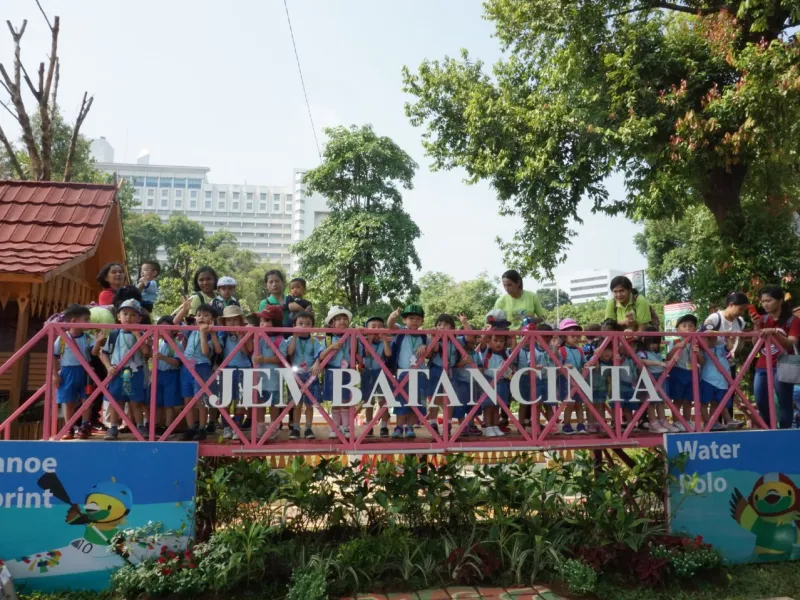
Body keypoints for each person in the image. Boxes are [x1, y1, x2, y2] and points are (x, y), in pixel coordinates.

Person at [99, 299, 152, 440]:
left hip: (136, 372)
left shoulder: (143, 335)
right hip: (117, 372)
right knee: (117, 401)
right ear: (119, 317)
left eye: (133, 315)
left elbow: (147, 353)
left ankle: (140, 425)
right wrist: (109, 367)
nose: (128, 317)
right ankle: (114, 427)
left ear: (139, 319)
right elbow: (104, 354)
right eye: (125, 314)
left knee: (136, 401)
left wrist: (137, 335)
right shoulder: (114, 335)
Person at [753, 285, 800, 429]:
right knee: (760, 400)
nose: (765, 304)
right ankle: (768, 430)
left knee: (784, 400)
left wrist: (774, 332)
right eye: (762, 301)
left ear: (780, 301)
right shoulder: (762, 319)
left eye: (769, 300)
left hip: (786, 363)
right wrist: (756, 326)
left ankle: (784, 432)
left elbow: (791, 342)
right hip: (762, 365)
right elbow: (756, 345)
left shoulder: (793, 321)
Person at [174, 299, 221, 441]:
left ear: (212, 319)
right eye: (198, 314)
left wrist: (204, 333)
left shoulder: (212, 334)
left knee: (201, 399)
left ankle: (201, 427)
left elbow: (206, 352)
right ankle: (191, 427)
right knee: (188, 399)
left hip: (202, 367)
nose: (201, 317)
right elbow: (174, 324)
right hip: (187, 367)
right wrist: (184, 309)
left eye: (205, 315)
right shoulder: (190, 330)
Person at [53, 304, 98, 440]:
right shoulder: (61, 338)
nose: (89, 322)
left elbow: (94, 353)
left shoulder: (88, 338)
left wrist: (99, 342)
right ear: (73, 321)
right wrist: (54, 374)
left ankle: (85, 426)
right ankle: (69, 427)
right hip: (67, 372)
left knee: (86, 400)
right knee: (68, 401)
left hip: (84, 371)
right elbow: (54, 357)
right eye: (86, 319)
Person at [313, 306, 356, 439]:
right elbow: (320, 356)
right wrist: (332, 347)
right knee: (335, 402)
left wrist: (359, 331)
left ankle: (346, 427)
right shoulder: (328, 339)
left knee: (346, 400)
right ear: (331, 324)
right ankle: (335, 427)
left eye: (345, 319)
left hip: (347, 371)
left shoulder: (352, 336)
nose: (342, 321)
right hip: (332, 370)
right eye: (338, 319)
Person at [387, 304, 429, 439]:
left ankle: (410, 427)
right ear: (404, 320)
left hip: (419, 372)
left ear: (422, 321)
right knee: (401, 401)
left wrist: (425, 346)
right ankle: (399, 427)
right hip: (403, 372)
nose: (414, 321)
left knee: (415, 402)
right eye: (411, 318)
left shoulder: (423, 336)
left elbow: (432, 349)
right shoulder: (401, 331)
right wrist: (392, 317)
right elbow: (391, 326)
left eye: (418, 318)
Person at [217, 305, 253, 440]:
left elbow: (247, 351)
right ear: (225, 323)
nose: (233, 323)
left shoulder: (246, 334)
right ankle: (226, 427)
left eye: (236, 320)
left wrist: (241, 337)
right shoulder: (223, 336)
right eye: (229, 320)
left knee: (240, 401)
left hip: (243, 369)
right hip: (227, 369)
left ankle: (236, 428)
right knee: (225, 401)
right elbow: (218, 351)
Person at [287, 311, 323, 440]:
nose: (304, 326)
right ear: (294, 325)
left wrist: (317, 362)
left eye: (308, 324)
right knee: (296, 403)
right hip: (296, 375)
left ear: (312, 326)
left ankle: (308, 427)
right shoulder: (291, 339)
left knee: (309, 404)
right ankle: (296, 427)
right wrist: (295, 336)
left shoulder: (314, 341)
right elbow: (289, 351)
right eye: (300, 323)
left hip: (310, 375)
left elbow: (318, 355)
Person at [253, 305, 287, 440]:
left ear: (276, 322)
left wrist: (264, 359)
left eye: (266, 321)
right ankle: (260, 426)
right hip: (260, 377)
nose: (262, 324)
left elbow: (281, 357)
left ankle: (274, 427)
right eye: (261, 321)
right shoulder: (259, 337)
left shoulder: (280, 340)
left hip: (274, 378)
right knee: (260, 401)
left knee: (273, 403)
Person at [666, 314, 704, 431]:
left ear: (695, 329)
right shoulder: (675, 341)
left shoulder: (697, 342)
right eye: (684, 326)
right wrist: (676, 347)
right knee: (677, 399)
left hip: (692, 373)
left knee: (688, 400)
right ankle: (677, 422)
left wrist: (697, 353)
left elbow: (702, 362)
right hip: (678, 372)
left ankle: (687, 421)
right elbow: (668, 358)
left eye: (691, 326)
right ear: (677, 329)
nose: (688, 328)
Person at [636, 327, 677, 433]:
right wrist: (659, 363)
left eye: (656, 343)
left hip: (660, 377)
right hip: (649, 378)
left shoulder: (657, 353)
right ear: (644, 341)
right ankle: (653, 422)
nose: (655, 345)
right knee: (651, 402)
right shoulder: (642, 352)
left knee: (661, 401)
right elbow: (642, 361)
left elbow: (662, 361)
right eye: (652, 342)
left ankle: (663, 421)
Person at [474, 330, 512, 437]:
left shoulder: (505, 354)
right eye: (495, 340)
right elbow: (482, 343)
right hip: (488, 381)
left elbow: (514, 348)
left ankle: (495, 426)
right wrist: (488, 331)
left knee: (496, 406)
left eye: (501, 341)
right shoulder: (486, 352)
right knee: (488, 406)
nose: (498, 343)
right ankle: (488, 427)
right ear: (489, 341)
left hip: (501, 383)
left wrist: (513, 338)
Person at [426, 314, 459, 435]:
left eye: (445, 324)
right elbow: (432, 351)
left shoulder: (456, 340)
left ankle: (448, 424)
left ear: (452, 327)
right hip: (436, 369)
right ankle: (433, 423)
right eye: (439, 324)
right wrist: (434, 337)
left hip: (451, 371)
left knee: (450, 399)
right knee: (434, 398)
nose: (442, 327)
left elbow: (468, 338)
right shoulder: (434, 339)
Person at [361, 316, 392, 438]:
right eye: (373, 326)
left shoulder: (384, 341)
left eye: (379, 326)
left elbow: (388, 354)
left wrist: (384, 340)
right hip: (368, 371)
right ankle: (369, 425)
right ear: (367, 328)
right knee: (368, 400)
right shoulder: (362, 340)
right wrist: (368, 340)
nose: (376, 329)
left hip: (381, 371)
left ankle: (384, 425)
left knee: (383, 400)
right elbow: (366, 353)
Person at [152, 315, 182, 433]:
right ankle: (157, 424)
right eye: (161, 327)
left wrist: (163, 358)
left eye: (167, 327)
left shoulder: (176, 344)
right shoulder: (158, 342)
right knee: (158, 401)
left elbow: (177, 362)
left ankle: (169, 426)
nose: (164, 330)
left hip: (171, 374)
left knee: (170, 402)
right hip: (158, 374)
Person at [557, 319, 586, 434]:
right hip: (566, 381)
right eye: (572, 335)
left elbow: (584, 362)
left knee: (579, 403)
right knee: (569, 403)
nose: (575, 338)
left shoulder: (580, 350)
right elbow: (557, 366)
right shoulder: (561, 350)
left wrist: (587, 364)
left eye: (577, 336)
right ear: (564, 336)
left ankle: (581, 424)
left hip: (578, 379)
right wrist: (564, 366)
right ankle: (566, 424)